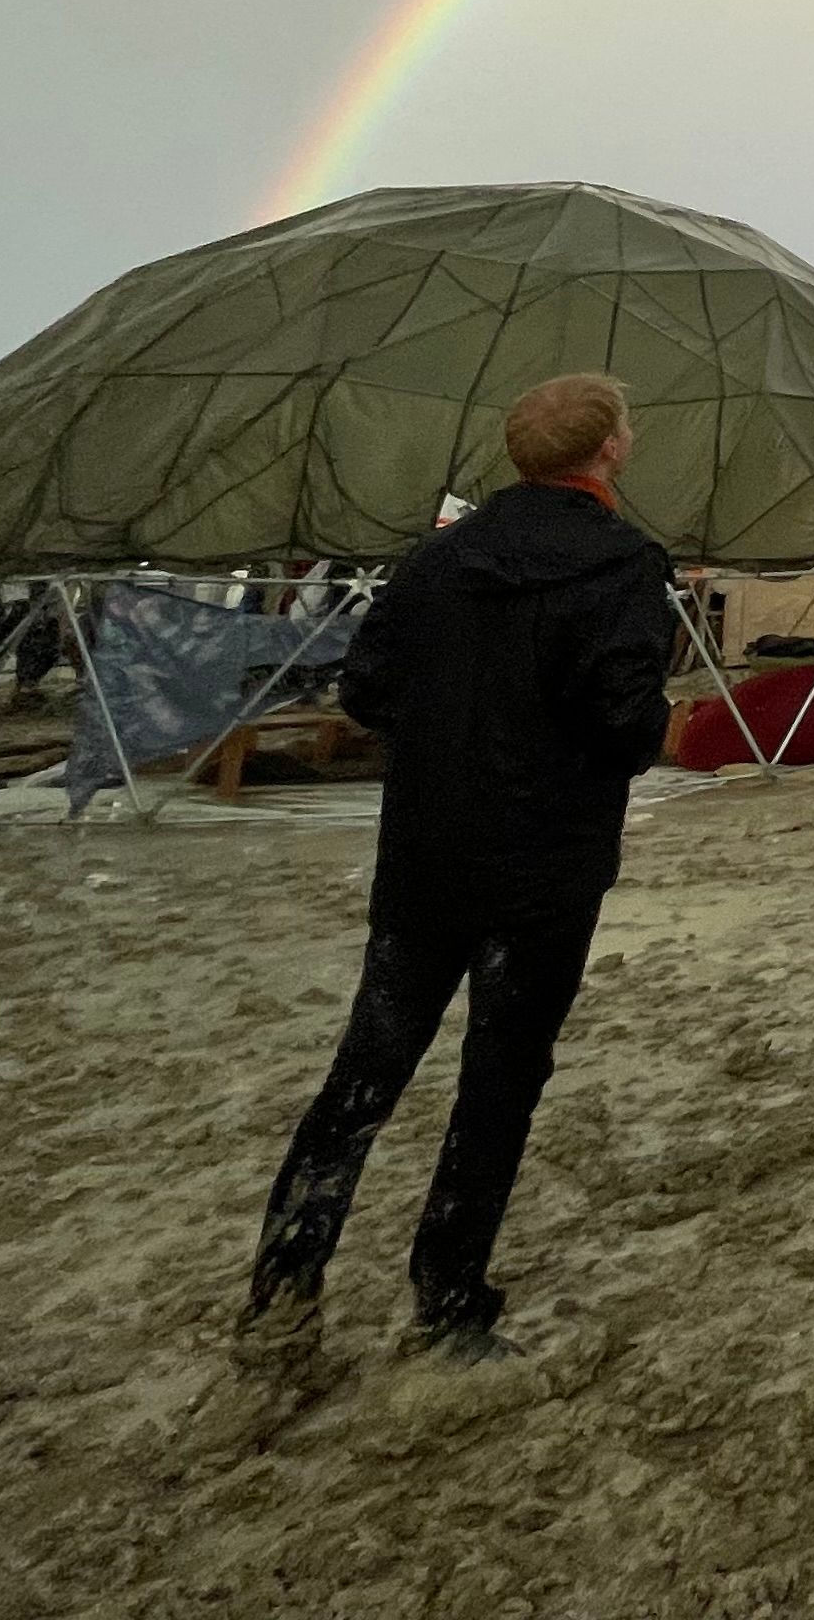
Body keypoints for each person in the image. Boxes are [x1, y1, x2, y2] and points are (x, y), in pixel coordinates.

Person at [242, 373, 675, 1357]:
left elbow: (366, 685)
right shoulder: (621, 563)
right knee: (501, 1080)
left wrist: (449, 738)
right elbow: (624, 720)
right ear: (607, 449)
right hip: (544, 871)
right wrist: (633, 725)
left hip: (429, 858)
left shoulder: (440, 559)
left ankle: (284, 1285)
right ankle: (447, 1301)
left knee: (365, 1073)